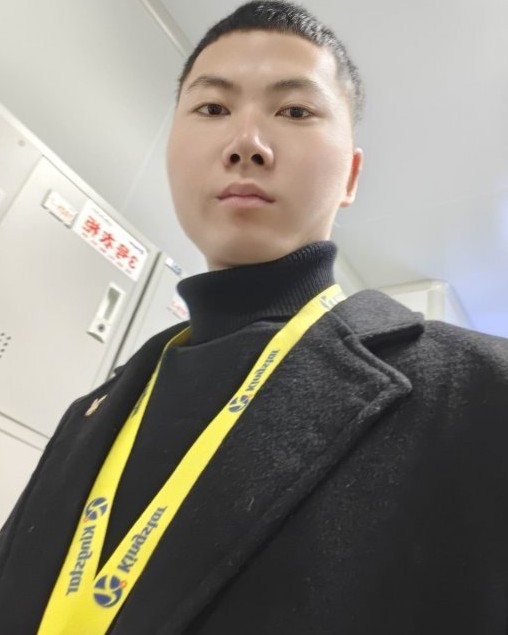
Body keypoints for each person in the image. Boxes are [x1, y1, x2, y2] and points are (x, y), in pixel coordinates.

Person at [1, 1, 508, 633]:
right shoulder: (90, 414)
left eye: (294, 111)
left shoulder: (483, 392)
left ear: (350, 176)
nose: (247, 143)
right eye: (213, 108)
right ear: (172, 147)